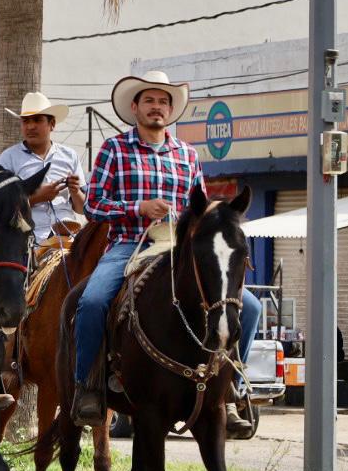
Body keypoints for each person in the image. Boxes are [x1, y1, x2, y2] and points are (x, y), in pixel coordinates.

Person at [70, 71, 262, 436]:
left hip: (178, 249)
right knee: (92, 302)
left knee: (249, 307)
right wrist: (138, 207)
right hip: (129, 244)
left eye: (163, 102)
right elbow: (93, 205)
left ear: (171, 110)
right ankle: (88, 387)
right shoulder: (115, 149)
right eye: (149, 101)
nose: (156, 108)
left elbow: (201, 208)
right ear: (135, 107)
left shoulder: (187, 155)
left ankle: (230, 386)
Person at [0, 92, 85, 244]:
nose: (30, 126)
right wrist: (37, 198)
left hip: (68, 238)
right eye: (25, 121)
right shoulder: (8, 158)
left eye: (37, 120)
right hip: (27, 242)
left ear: (52, 124)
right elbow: (0, 208)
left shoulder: (69, 156)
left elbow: (82, 209)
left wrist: (75, 191)